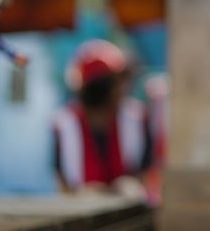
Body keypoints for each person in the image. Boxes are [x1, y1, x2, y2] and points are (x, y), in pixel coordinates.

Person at [53, 39, 152, 199]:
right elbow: (62, 179)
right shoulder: (65, 124)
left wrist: (131, 187)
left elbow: (145, 171)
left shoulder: (136, 117)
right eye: (115, 83)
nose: (123, 88)